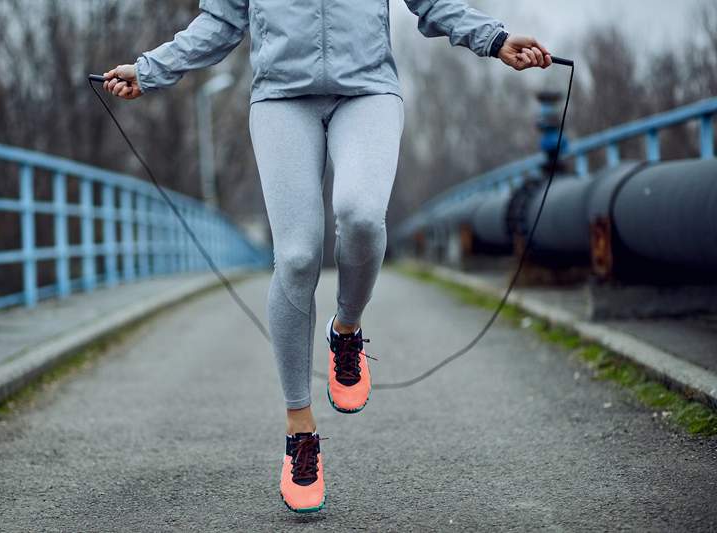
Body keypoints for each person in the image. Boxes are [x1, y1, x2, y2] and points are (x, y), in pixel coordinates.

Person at [102, 0, 551, 514]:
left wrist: (494, 39)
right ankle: (300, 431)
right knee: (295, 256)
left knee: (360, 214)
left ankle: (346, 329)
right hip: (281, 100)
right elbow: (223, 21)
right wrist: (149, 70)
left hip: (367, 91)